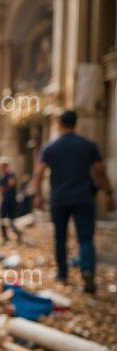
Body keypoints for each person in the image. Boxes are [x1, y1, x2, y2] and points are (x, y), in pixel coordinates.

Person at [33, 110, 115, 293]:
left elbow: (38, 174)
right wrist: (109, 193)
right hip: (83, 198)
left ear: (59, 125)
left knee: (60, 238)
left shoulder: (50, 147)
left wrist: (38, 196)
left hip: (59, 199)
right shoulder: (88, 145)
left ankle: (62, 273)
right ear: (76, 124)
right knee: (86, 238)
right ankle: (87, 270)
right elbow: (99, 172)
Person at [0, 156, 22, 245]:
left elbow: (11, 184)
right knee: (2, 218)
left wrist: (5, 188)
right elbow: (1, 188)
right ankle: (4, 237)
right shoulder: (2, 175)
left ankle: (18, 233)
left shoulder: (10, 174)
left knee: (11, 220)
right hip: (5, 199)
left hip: (11, 200)